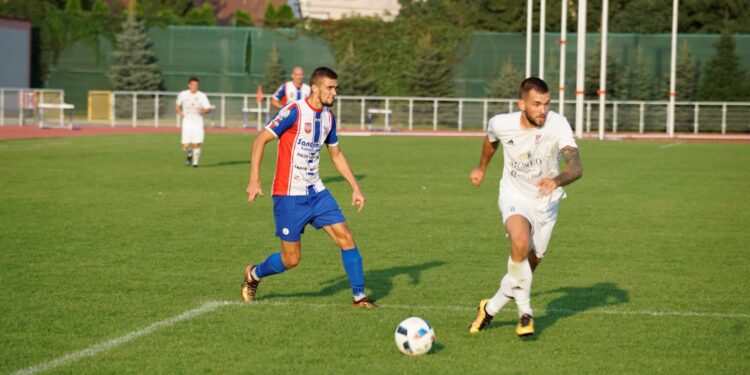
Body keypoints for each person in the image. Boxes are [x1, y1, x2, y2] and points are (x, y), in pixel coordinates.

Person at [241, 67, 376, 309]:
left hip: (317, 192)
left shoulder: (328, 117)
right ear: (315, 87)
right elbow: (261, 139)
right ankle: (254, 274)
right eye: (330, 88)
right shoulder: (294, 111)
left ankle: (360, 298)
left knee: (346, 238)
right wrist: (254, 179)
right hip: (289, 195)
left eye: (336, 88)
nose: (335, 93)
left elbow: (336, 155)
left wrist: (355, 187)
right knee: (291, 259)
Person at [468, 77, 583, 337]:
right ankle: (525, 314)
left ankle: (490, 308)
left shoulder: (558, 124)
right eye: (536, 104)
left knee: (527, 265)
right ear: (522, 104)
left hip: (546, 202)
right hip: (514, 195)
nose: (542, 110)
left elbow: (576, 167)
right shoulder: (501, 123)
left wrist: (556, 180)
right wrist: (482, 167)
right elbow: (491, 141)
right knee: (519, 243)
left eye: (546, 104)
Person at [175, 77, 212, 167]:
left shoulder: (202, 95)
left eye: (196, 85)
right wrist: (180, 112)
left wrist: (202, 111)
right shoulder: (183, 94)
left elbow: (208, 109)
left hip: (197, 122)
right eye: (193, 84)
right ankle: (190, 154)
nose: (194, 86)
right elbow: (177, 104)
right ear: (189, 85)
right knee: (185, 146)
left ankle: (195, 163)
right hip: (187, 122)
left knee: (196, 143)